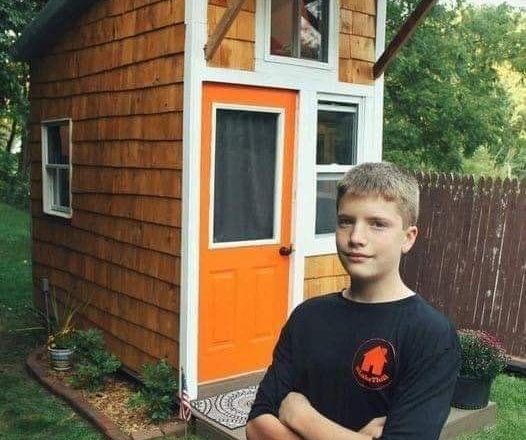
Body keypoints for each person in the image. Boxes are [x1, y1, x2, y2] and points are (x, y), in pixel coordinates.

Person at [246, 162, 461, 440]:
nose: (356, 238)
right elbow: (256, 426)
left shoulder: (430, 335)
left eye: (377, 224)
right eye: (346, 221)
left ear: (408, 238)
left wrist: (302, 417)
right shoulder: (307, 317)